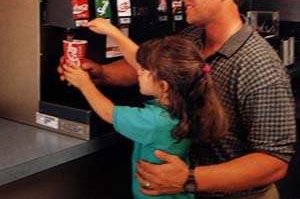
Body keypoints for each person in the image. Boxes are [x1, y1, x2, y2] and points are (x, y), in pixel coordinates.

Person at [58, 0, 297, 198]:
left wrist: (188, 179)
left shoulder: (259, 66)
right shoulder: (192, 37)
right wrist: (100, 72)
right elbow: (153, 68)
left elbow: (274, 161)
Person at [62, 18, 228, 199]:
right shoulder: (189, 105)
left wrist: (83, 83)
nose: (138, 71)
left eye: (144, 70)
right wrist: (111, 31)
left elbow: (108, 113)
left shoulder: (155, 121)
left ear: (164, 86)